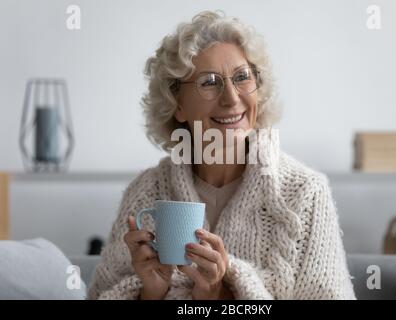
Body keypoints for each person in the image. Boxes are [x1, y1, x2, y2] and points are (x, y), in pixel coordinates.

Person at [88, 10, 355, 300]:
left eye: (242, 77)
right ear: (177, 104)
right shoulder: (144, 193)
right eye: (210, 82)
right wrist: (150, 294)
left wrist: (223, 293)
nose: (231, 98)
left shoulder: (304, 193)